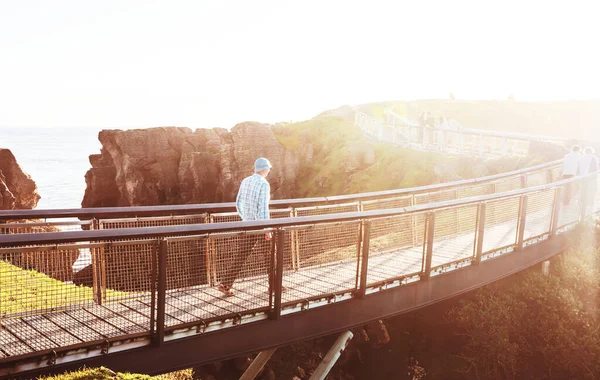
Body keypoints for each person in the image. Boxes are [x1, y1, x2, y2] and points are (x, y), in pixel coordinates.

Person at [217, 157, 273, 297]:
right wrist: (266, 229)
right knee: (271, 255)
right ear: (264, 169)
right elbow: (263, 208)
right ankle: (275, 286)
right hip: (260, 225)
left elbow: (238, 202)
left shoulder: (245, 181)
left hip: (247, 224)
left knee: (241, 255)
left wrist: (245, 218)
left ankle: (226, 284)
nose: (269, 171)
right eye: (269, 168)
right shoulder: (264, 184)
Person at [578, 147, 599, 216]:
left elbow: (579, 167)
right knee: (592, 190)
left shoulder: (581, 157)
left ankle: (583, 202)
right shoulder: (594, 157)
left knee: (583, 189)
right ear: (591, 151)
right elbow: (596, 167)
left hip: (583, 177)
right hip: (591, 177)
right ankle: (590, 203)